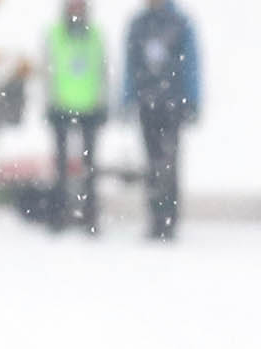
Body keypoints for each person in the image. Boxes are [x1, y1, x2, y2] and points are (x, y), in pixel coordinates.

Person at [113, 0, 184, 235]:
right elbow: (130, 65)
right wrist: (127, 98)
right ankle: (155, 217)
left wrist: (191, 99)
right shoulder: (139, 25)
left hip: (172, 103)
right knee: (152, 162)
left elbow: (190, 63)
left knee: (170, 161)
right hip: (147, 103)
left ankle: (169, 218)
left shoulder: (179, 23)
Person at [39, 0, 99, 230]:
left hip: (89, 107)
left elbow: (102, 69)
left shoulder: (94, 35)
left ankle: (89, 215)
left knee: (89, 167)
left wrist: (102, 103)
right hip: (61, 106)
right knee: (61, 167)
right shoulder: (54, 35)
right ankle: (59, 214)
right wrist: (48, 102)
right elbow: (47, 70)